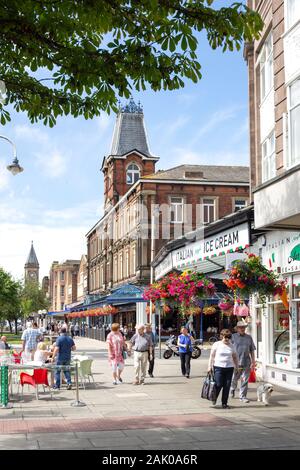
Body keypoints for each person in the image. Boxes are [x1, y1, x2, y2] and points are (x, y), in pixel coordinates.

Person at [208, 328, 239, 409]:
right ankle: (214, 397)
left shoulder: (232, 345)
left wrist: (237, 366)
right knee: (218, 384)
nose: (227, 339)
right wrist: (209, 366)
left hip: (229, 368)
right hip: (218, 367)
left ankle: (224, 403)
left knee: (227, 386)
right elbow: (211, 356)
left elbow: (235, 357)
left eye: (228, 337)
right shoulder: (217, 344)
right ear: (222, 336)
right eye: (225, 337)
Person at [230, 321, 256, 403]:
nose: (242, 329)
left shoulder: (249, 337)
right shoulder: (233, 337)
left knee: (245, 380)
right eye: (240, 327)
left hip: (246, 362)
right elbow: (229, 349)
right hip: (235, 362)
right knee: (234, 378)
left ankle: (243, 396)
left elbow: (252, 350)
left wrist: (253, 361)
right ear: (237, 329)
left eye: (243, 327)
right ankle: (232, 388)